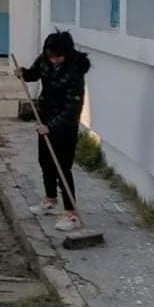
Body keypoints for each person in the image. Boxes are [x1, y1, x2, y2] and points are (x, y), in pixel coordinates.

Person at [16, 31, 91, 232]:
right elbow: (34, 74)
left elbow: (73, 108)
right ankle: (50, 200)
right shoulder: (44, 60)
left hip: (65, 125)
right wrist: (23, 73)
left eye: (58, 57)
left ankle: (71, 214)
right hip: (45, 118)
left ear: (67, 53)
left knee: (62, 167)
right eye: (51, 56)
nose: (54, 60)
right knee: (45, 161)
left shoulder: (76, 70)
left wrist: (52, 126)